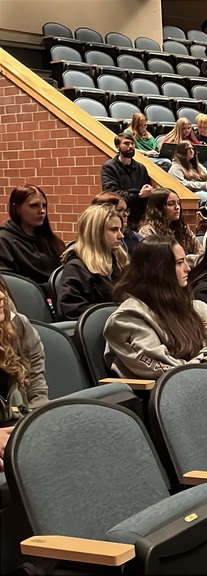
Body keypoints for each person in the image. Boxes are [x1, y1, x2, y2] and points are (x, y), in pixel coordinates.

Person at [104, 236, 207, 379]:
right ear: (158, 270)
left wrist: (204, 363)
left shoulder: (196, 308)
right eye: (180, 263)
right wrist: (204, 366)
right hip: (163, 393)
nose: (188, 268)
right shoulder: (128, 319)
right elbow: (158, 366)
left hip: (204, 379)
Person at [0, 274, 48, 469]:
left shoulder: (19, 327)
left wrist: (31, 435)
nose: (2, 296)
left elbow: (37, 394)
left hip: (19, 430)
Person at [58, 205, 129, 320]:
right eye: (114, 230)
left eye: (121, 229)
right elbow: (71, 310)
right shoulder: (76, 267)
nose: (121, 236)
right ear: (96, 232)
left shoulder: (118, 263)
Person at [0, 185, 66, 285]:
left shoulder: (51, 240)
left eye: (44, 206)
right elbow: (10, 283)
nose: (42, 211)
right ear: (17, 208)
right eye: (34, 205)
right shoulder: (4, 240)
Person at [101, 134, 154, 229]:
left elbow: (147, 191)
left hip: (140, 218)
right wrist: (138, 195)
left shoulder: (141, 168)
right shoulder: (109, 167)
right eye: (126, 143)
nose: (130, 146)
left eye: (132, 143)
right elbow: (112, 194)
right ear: (118, 147)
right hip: (119, 218)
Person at [137, 189, 202, 260]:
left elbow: (201, 251)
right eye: (171, 204)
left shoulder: (182, 228)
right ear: (158, 208)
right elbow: (155, 261)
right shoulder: (147, 231)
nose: (177, 207)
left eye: (178, 203)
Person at [167, 142, 207, 210]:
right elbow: (181, 184)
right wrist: (202, 185)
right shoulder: (175, 168)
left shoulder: (197, 165)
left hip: (206, 190)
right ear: (181, 152)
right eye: (188, 149)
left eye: (192, 148)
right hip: (192, 193)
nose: (191, 151)